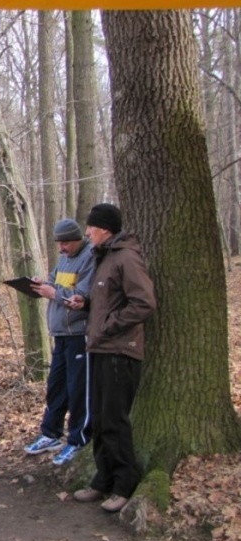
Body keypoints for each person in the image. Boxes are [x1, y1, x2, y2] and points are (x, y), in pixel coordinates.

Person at [69, 203, 156, 513]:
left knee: (115, 420)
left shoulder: (127, 258)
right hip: (100, 349)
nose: (87, 231)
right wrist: (86, 302)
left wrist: (108, 325)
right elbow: (106, 299)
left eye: (91, 227)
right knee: (101, 420)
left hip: (121, 351)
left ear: (104, 228)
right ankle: (102, 480)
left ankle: (124, 484)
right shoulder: (103, 258)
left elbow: (143, 303)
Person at [24, 219, 95, 465]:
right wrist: (42, 285)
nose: (62, 247)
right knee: (56, 386)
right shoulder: (65, 259)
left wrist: (54, 293)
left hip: (79, 332)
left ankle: (78, 440)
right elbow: (55, 282)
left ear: (77, 239)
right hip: (61, 333)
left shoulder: (90, 257)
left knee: (78, 390)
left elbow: (84, 296)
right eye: (59, 243)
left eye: (65, 242)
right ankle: (50, 433)